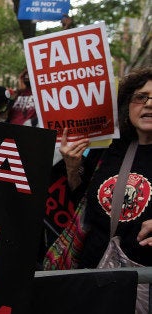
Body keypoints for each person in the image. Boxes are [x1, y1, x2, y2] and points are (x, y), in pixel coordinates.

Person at [59, 66, 152, 268]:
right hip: (89, 272)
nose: (149, 104)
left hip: (140, 285)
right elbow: (81, 201)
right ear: (127, 105)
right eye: (141, 97)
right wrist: (72, 167)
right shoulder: (106, 148)